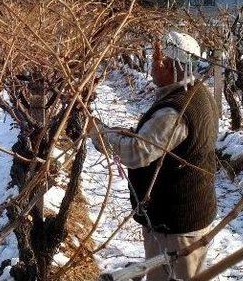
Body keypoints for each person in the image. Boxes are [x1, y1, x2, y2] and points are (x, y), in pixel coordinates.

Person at [89, 31, 219, 281]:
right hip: (182, 217)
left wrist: (98, 134)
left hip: (176, 223)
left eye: (156, 61)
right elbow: (156, 142)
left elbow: (137, 153)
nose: (152, 67)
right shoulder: (195, 92)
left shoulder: (175, 110)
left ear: (170, 65)